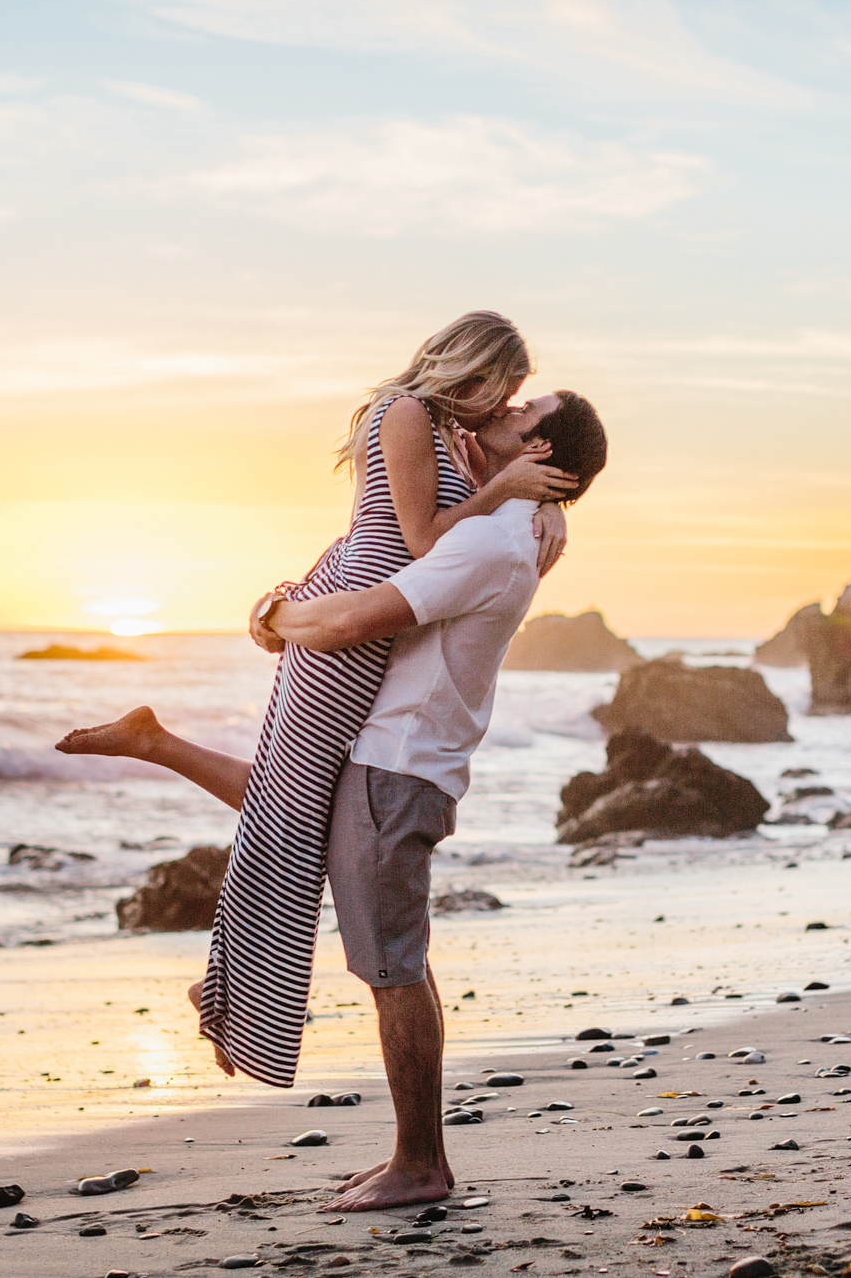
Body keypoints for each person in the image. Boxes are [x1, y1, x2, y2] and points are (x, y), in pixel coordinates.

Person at [60, 391, 609, 1211]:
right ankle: (160, 756)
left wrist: (272, 615)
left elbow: (360, 616)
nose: (507, 403)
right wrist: (530, 496)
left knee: (394, 968)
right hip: (395, 756)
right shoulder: (501, 525)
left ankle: (419, 1163)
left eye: (527, 407)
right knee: (292, 821)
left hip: (399, 765)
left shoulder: (493, 539)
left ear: (540, 454)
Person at [127, 312, 574, 1091]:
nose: (506, 405)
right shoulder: (404, 412)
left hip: (370, 611)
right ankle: (230, 991)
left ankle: (228, 991)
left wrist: (545, 503)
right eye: (508, 389)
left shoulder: (444, 427)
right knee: (289, 803)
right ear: (475, 368)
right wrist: (507, 486)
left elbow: (484, 518)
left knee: (295, 805)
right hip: (354, 602)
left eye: (518, 402)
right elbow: (426, 537)